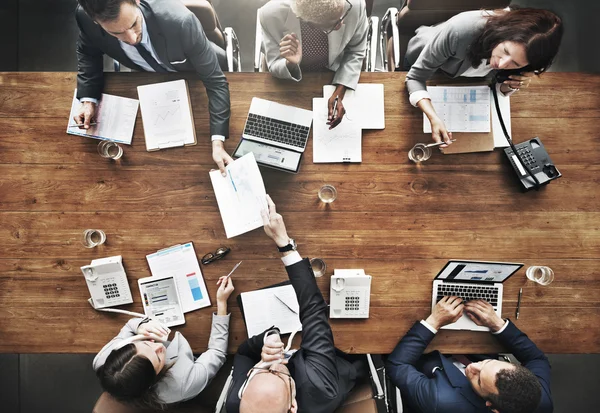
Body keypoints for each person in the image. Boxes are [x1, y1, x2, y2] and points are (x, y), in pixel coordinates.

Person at [225, 195, 366, 413]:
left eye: (262, 371)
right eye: (277, 373)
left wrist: (267, 339)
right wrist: (284, 245)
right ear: (293, 405)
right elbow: (313, 310)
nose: (274, 364)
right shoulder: (318, 386)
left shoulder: (237, 402)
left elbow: (243, 354)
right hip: (334, 364)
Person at [74, 0, 233, 175]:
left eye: (134, 24)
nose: (132, 39)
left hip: (194, 74)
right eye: (117, 33)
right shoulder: (85, 18)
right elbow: (88, 52)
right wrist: (88, 99)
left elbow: (216, 82)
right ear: (95, 21)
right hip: (150, 84)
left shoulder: (181, 22)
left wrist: (217, 142)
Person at [405, 7, 563, 147]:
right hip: (429, 62)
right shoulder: (460, 31)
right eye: (505, 51)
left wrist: (511, 85)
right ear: (501, 34)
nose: (502, 64)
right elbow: (415, 77)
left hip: (464, 80)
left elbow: (498, 82)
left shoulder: (524, 58)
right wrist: (433, 117)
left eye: (515, 63)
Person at [386, 296, 552, 413]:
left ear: (492, 406)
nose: (472, 367)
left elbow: (397, 365)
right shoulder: (539, 398)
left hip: (424, 353)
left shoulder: (442, 401)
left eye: (479, 380)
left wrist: (434, 321)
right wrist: (497, 324)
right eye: (488, 363)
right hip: (472, 343)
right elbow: (536, 359)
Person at [93, 275, 234, 408]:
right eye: (158, 358)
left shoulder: (103, 360)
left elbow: (130, 325)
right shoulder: (184, 382)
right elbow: (217, 351)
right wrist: (221, 303)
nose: (158, 345)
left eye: (145, 344)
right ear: (154, 378)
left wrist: (140, 325)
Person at [259, 0, 368, 128]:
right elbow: (273, 64)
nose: (341, 24)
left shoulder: (355, 5)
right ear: (308, 23)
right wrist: (290, 63)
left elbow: (355, 51)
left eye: (342, 15)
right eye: (333, 25)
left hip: (335, 73)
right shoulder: (270, 15)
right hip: (292, 83)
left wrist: (340, 91)